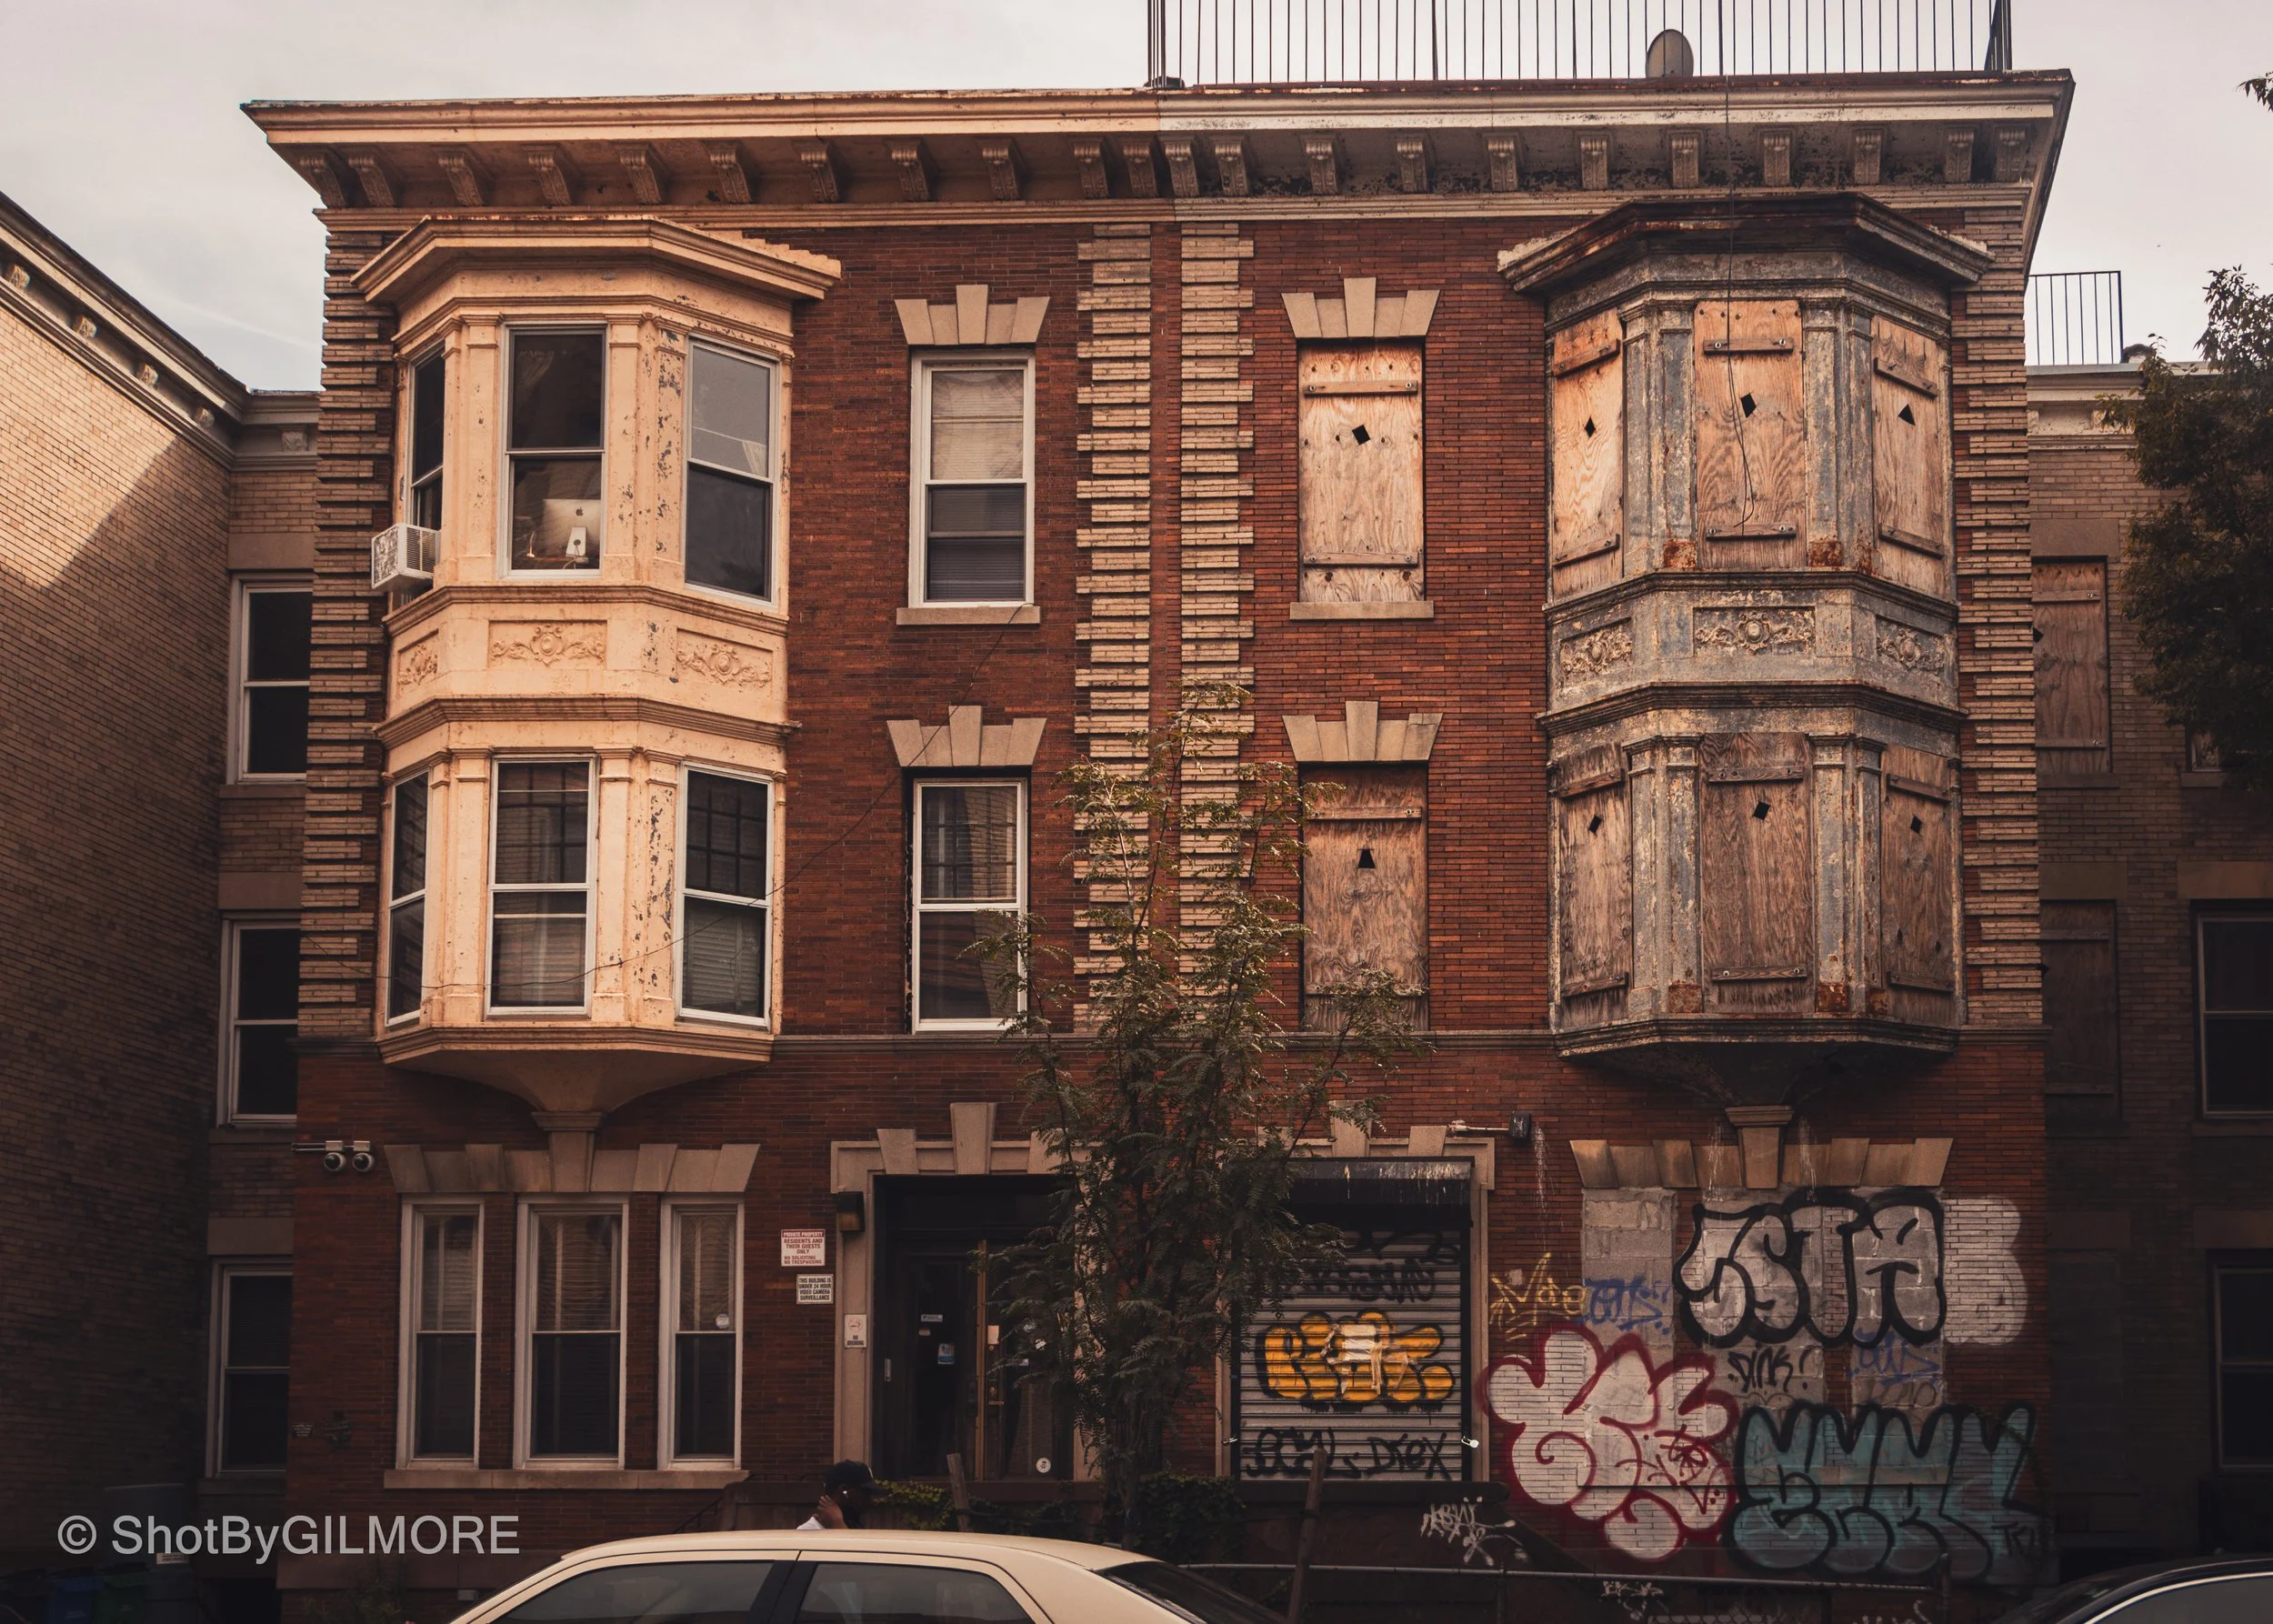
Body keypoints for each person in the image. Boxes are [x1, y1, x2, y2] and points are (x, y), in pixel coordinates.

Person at [796, 1459, 877, 1529]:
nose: (869, 1500)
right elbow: (851, 1547)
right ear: (843, 1490)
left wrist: (839, 1523)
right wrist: (838, 1523)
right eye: (864, 1493)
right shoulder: (808, 1533)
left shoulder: (854, 1526)